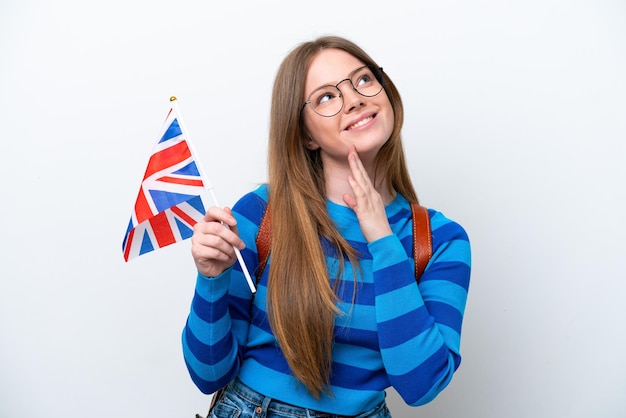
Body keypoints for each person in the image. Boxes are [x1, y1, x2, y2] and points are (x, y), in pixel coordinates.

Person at [182, 35, 471, 418]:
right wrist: (211, 278)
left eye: (364, 79)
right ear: (305, 135)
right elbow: (208, 373)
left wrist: (383, 241)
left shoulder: (438, 240)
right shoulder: (262, 213)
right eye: (326, 97)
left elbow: (421, 386)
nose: (354, 99)